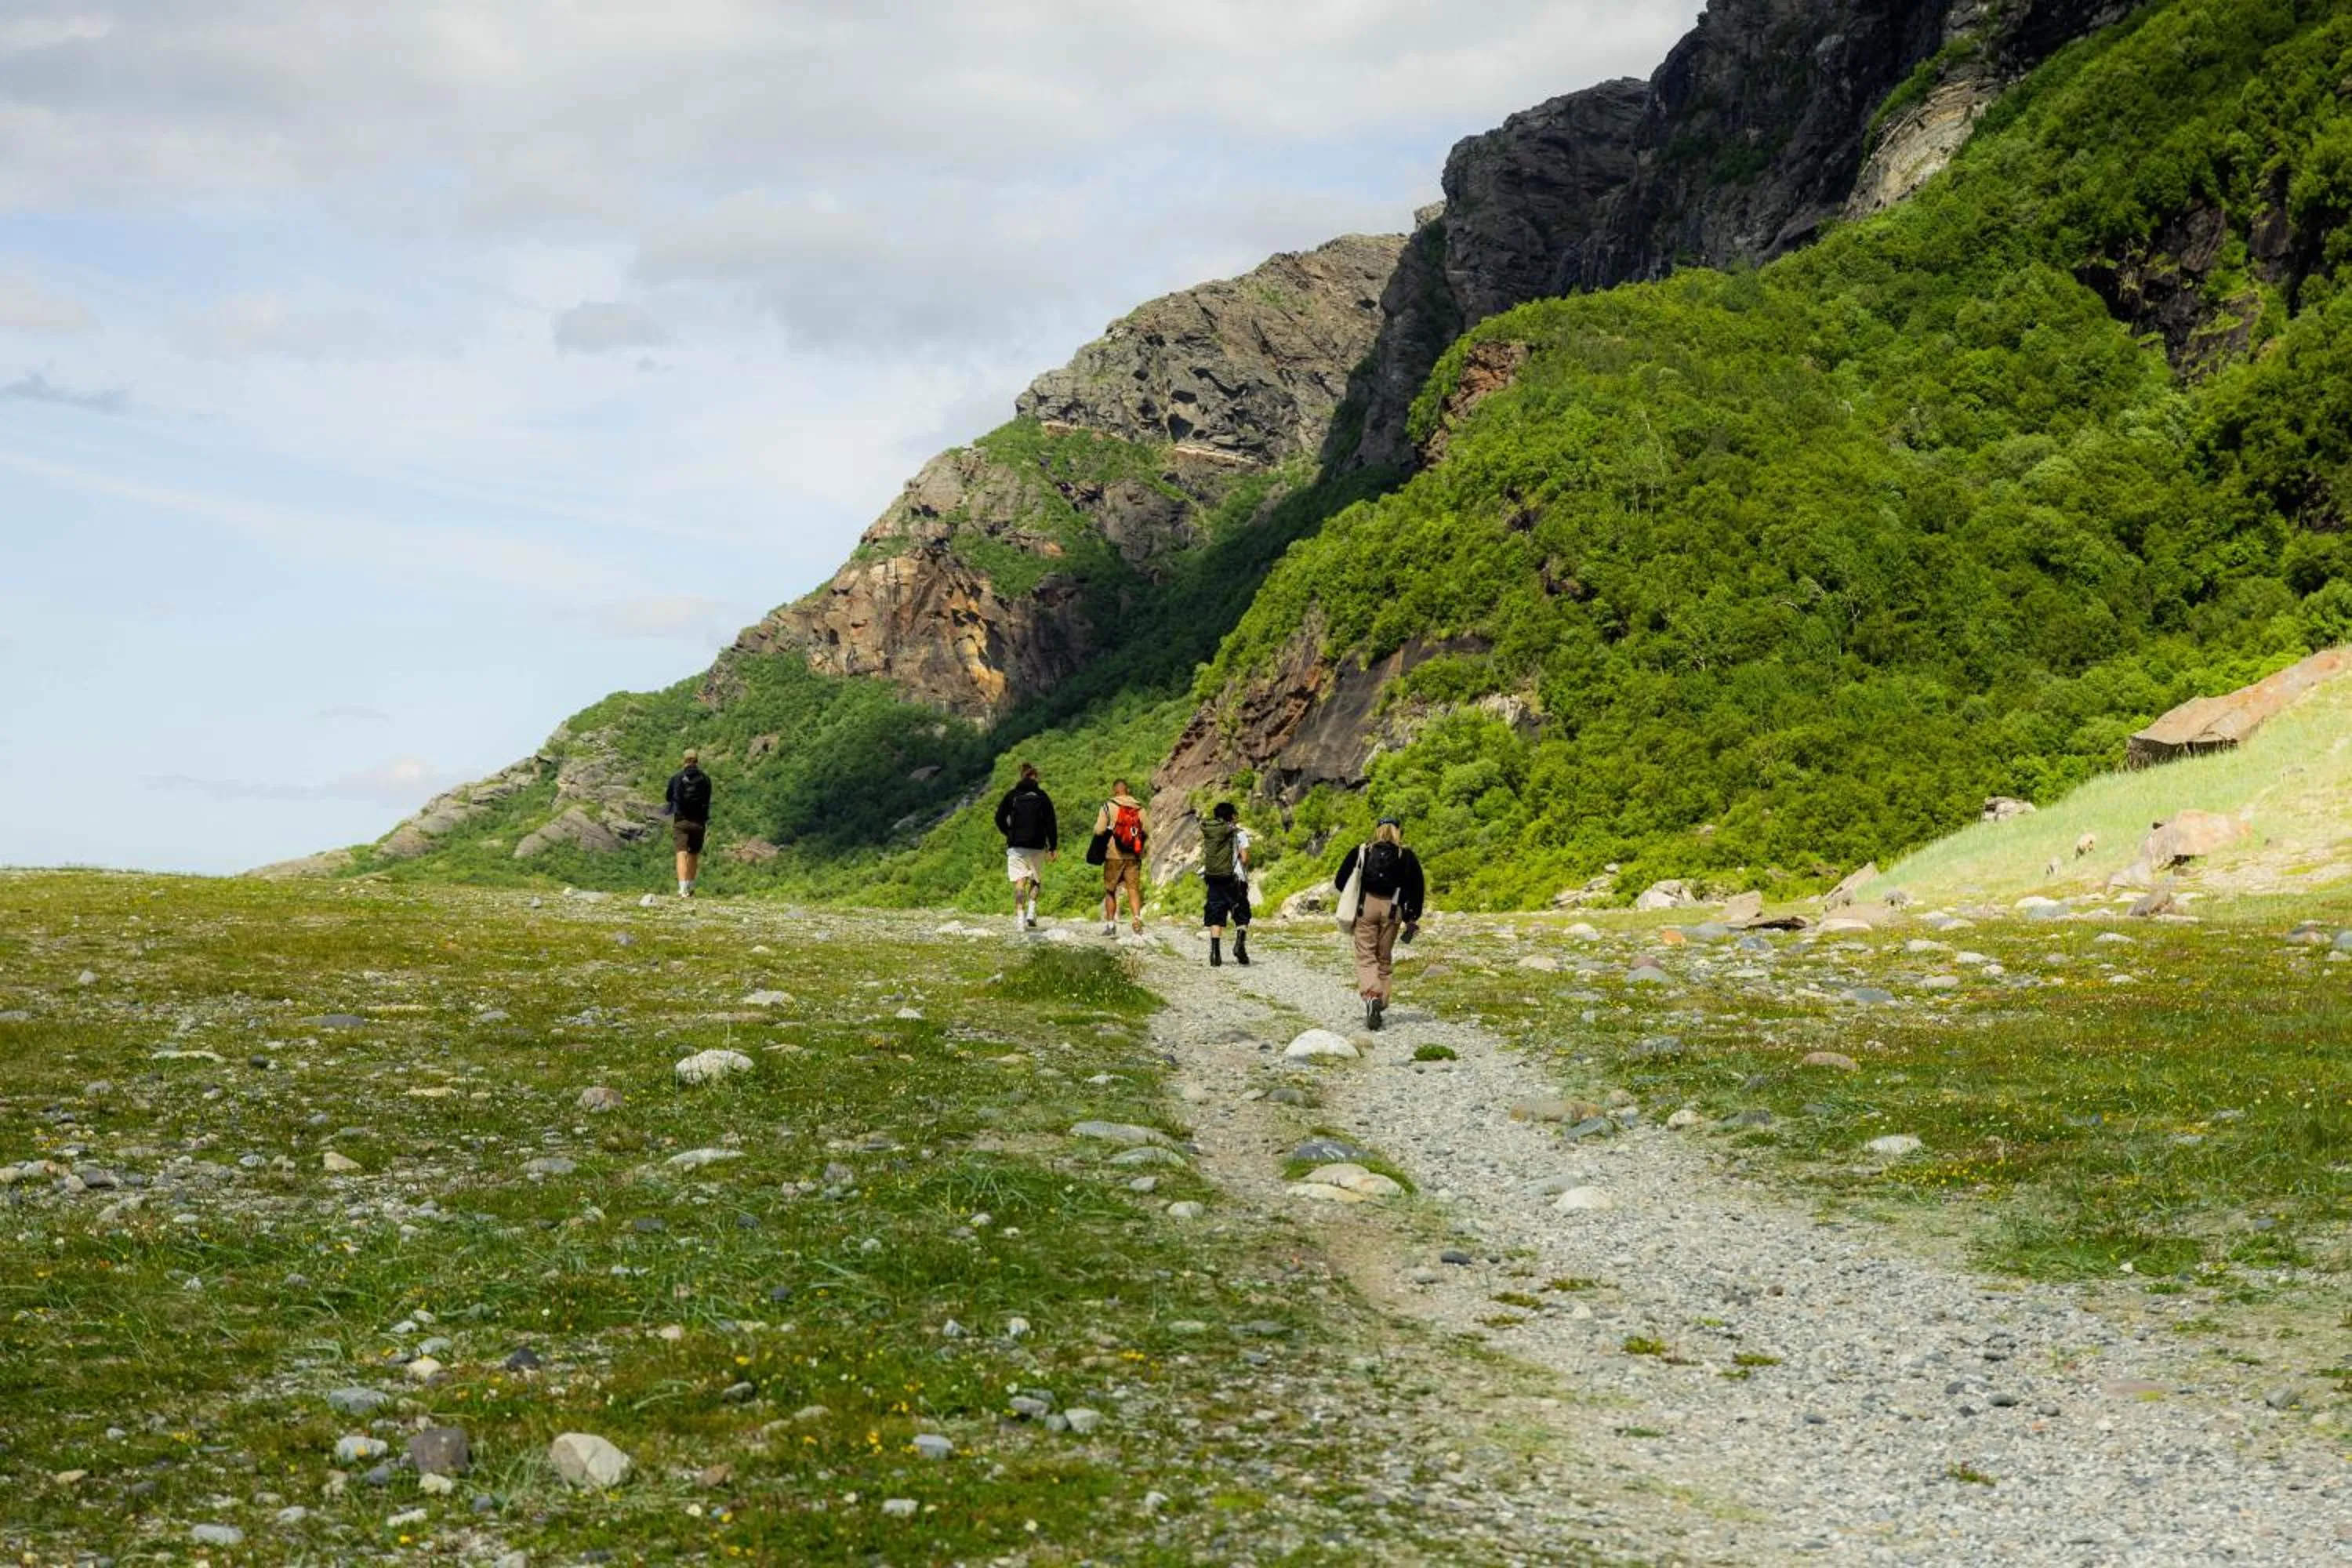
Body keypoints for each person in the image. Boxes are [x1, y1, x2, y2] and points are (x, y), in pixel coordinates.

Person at [1335, 816, 1425, 1029]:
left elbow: (1340, 881)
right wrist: (1412, 917)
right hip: (1393, 910)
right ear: (1398, 832)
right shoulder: (1407, 856)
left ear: (1378, 831)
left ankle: (1372, 996)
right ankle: (1381, 1002)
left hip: (1366, 907)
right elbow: (1417, 888)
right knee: (1383, 958)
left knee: (1366, 956)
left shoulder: (1362, 851)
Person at [993, 761, 1058, 931]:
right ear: (1035, 777)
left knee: (1020, 883)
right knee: (1036, 880)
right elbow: (1051, 823)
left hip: (1016, 846)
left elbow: (999, 818)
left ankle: (1020, 919)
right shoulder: (1042, 796)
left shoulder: (1012, 795)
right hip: (1037, 845)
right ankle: (1031, 912)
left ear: (1021, 776)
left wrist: (1009, 833)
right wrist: (1053, 846)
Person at [1199, 801, 1251, 967]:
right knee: (1241, 913)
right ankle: (1239, 946)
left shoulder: (1211, 832)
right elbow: (1244, 859)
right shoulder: (1238, 833)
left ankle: (1215, 954)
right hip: (1235, 878)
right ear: (1232, 816)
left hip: (1214, 878)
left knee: (1216, 913)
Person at [1094, 780, 1149, 936]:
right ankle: (1137, 920)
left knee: (1110, 890)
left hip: (1114, 855)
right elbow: (1148, 830)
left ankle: (1111, 925)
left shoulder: (1108, 806)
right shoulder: (1139, 808)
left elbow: (1099, 830)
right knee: (1133, 889)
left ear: (1114, 791)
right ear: (1128, 790)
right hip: (1134, 855)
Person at [664, 750, 713, 898]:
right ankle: (691, 887)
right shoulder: (705, 779)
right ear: (697, 761)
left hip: (682, 821)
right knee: (693, 854)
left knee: (681, 852)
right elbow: (707, 798)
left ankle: (682, 888)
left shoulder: (677, 778)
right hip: (699, 822)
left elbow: (668, 797)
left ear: (684, 760)